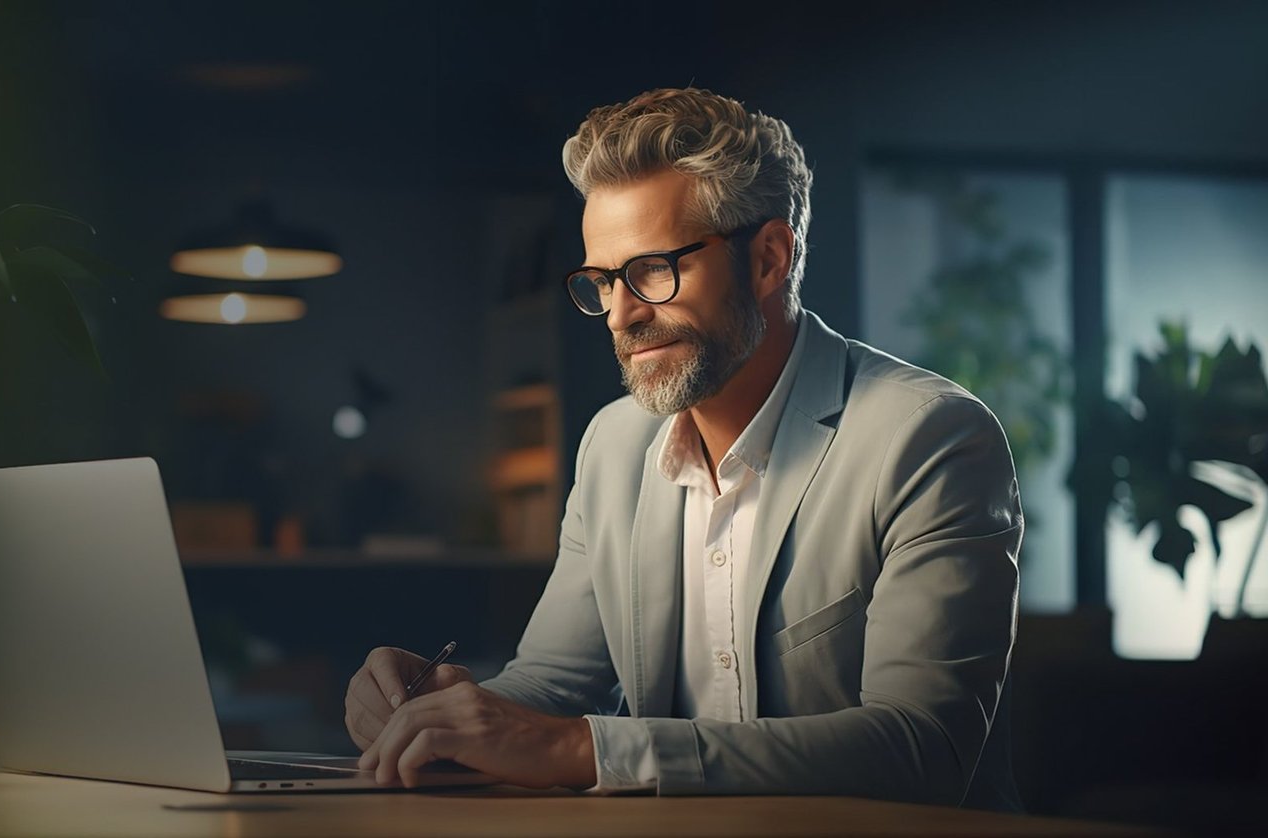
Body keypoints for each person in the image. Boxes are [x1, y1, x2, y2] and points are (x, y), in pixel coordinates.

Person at [345, 87, 1023, 810]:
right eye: (603, 281)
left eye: (653, 271)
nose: (621, 316)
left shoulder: (929, 436)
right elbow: (551, 686)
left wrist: (579, 748)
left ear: (767, 259)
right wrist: (439, 710)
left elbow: (924, 748)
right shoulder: (612, 444)